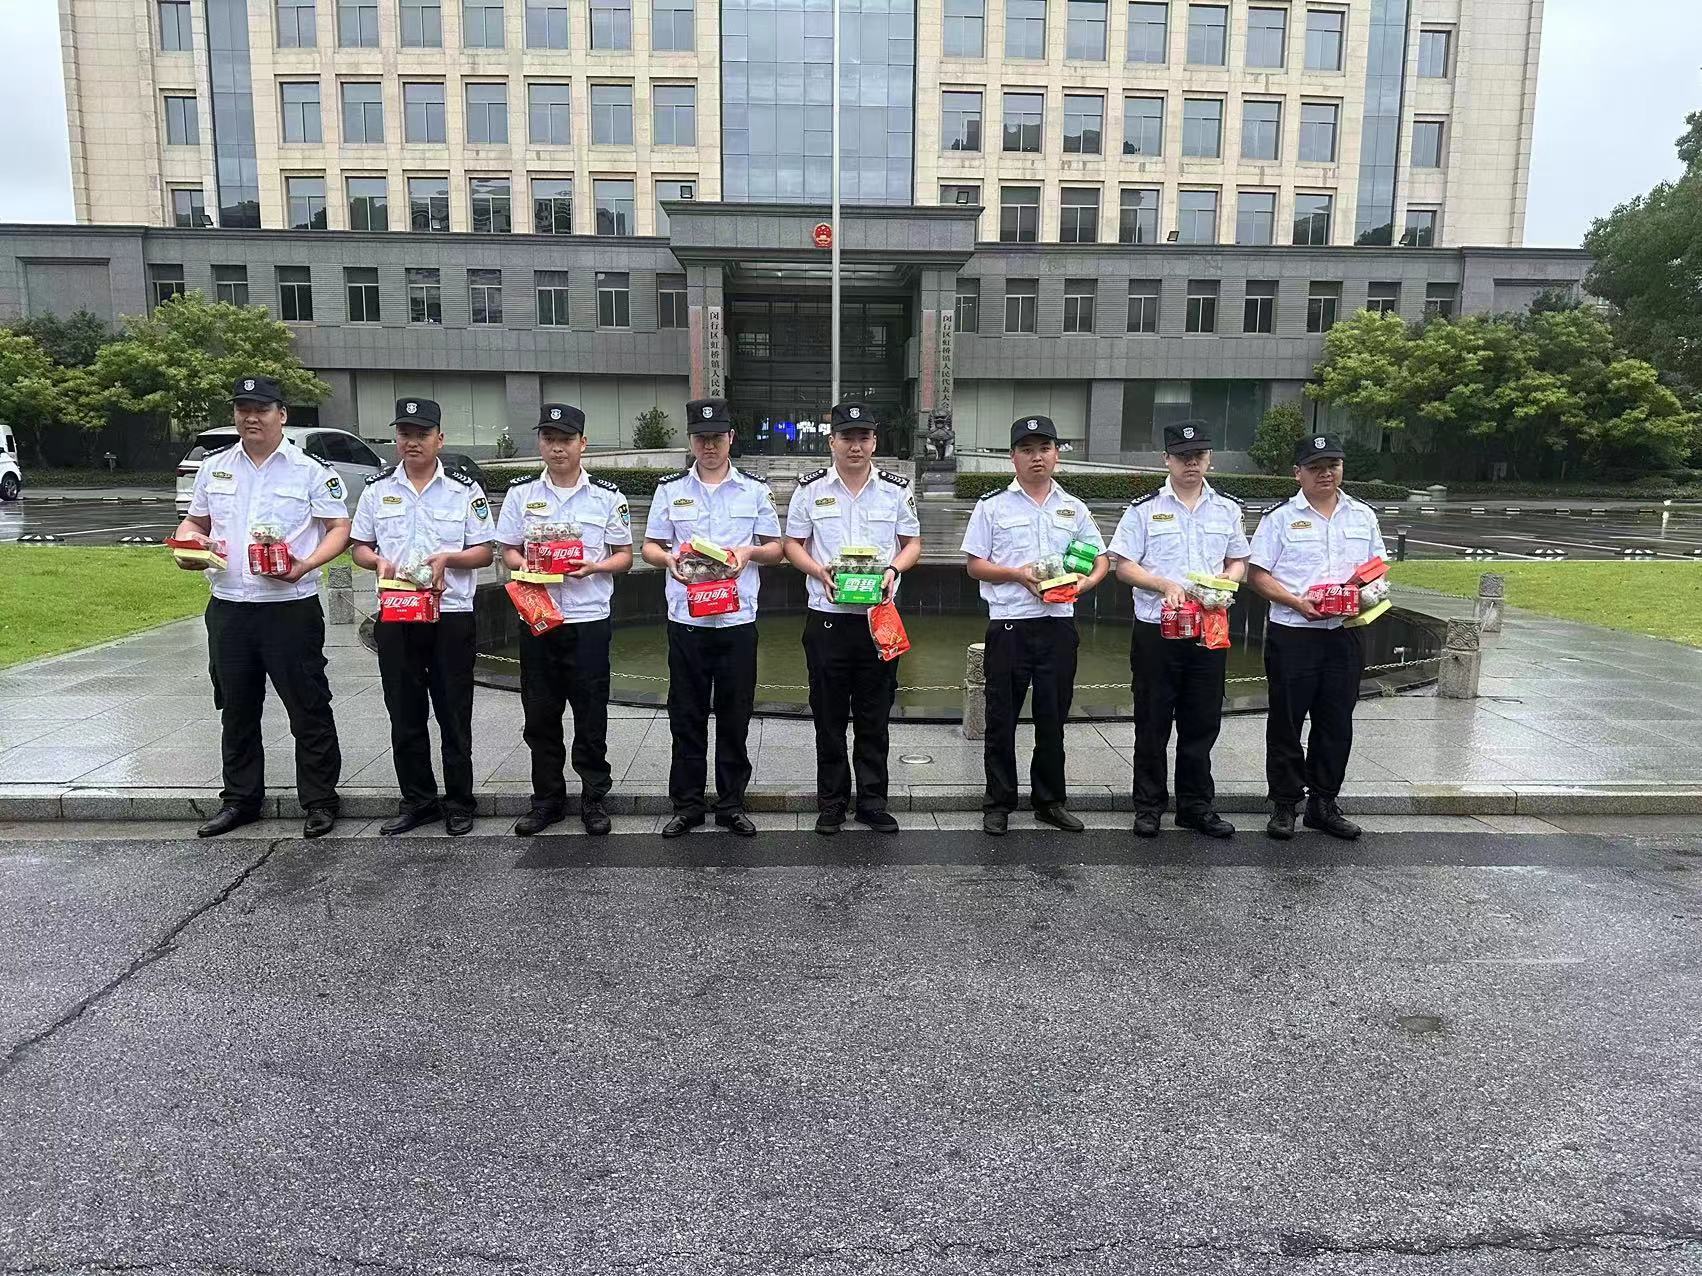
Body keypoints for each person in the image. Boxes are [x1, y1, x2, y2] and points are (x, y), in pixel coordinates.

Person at [172, 375, 350, 839]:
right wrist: (189, 544)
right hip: (229, 606)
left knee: (307, 705)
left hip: (289, 605)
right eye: (243, 409)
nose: (251, 417)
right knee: (236, 707)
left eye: (261, 409)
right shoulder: (215, 467)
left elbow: (338, 528)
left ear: (281, 415)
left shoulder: (309, 470)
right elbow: (195, 521)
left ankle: (319, 800)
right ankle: (240, 800)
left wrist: (306, 564)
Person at [349, 398, 495, 837]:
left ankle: (459, 802)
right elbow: (359, 547)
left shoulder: (464, 490)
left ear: (439, 439)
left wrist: (449, 558)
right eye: (405, 434)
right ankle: (417, 801)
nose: (412, 442)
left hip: (450, 615)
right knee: (404, 712)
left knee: (454, 712)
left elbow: (484, 552)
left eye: (422, 434)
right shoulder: (377, 490)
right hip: (397, 614)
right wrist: (376, 561)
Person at [960, 415, 1109, 836]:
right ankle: (999, 802)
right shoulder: (992, 505)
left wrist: (1087, 582)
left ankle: (1049, 801)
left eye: (1044, 448)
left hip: (1058, 625)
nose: (1036, 457)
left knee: (1052, 718)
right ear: (1013, 457)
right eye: (1027, 450)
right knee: (1001, 718)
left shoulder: (1073, 507)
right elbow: (975, 566)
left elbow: (1100, 559)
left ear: (1057, 454)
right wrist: (1016, 574)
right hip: (1010, 625)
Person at [641, 398, 783, 838]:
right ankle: (687, 805)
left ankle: (731, 804)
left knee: (735, 716)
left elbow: (776, 549)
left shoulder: (754, 490)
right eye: (701, 438)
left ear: (730, 438)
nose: (709, 445)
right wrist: (669, 560)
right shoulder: (670, 490)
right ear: (690, 440)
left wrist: (748, 552)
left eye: (717, 437)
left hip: (737, 621)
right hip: (688, 621)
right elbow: (649, 547)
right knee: (686, 715)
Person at [782, 402, 923, 835]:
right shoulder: (810, 490)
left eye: (863, 437)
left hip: (878, 620)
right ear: (832, 442)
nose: (855, 445)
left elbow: (912, 543)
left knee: (874, 716)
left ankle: (873, 802)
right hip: (827, 619)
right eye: (847, 437)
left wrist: (893, 570)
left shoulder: (895, 490)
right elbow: (792, 544)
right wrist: (817, 570)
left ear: (874, 442)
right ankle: (832, 802)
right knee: (828, 717)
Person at [495, 403, 634, 836]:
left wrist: (595, 567)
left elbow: (625, 557)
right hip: (538, 618)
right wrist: (525, 565)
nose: (557, 448)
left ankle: (594, 798)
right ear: (540, 443)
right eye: (549, 439)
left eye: (566, 440)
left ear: (582, 444)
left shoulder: (607, 496)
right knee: (540, 714)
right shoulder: (521, 494)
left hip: (588, 619)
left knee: (591, 714)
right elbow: (508, 549)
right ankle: (547, 801)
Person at [1108, 421, 1251, 840]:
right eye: (1183, 456)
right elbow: (1123, 566)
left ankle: (1196, 807)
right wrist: (1163, 584)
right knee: (1152, 721)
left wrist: (1227, 580)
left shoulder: (1227, 509)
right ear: (1166, 460)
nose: (1192, 463)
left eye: (1199, 455)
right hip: (1158, 630)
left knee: (1202, 721)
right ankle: (1149, 806)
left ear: (1209, 459)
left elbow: (1239, 560)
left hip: (1209, 629)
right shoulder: (1144, 509)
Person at [1247, 432, 1388, 841]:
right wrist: (1295, 602)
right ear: (1298, 473)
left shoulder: (1362, 515)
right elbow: (1257, 575)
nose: (1326, 473)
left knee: (1336, 720)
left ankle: (1324, 803)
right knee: (1287, 721)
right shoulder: (1279, 518)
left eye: (1333, 465)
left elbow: (1377, 567)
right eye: (1316, 467)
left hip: (1344, 633)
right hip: (1294, 633)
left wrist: (1366, 597)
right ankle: (1285, 804)